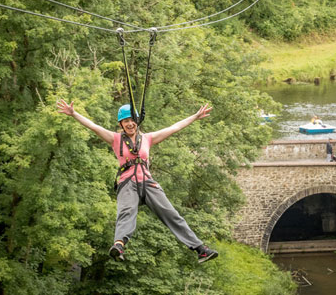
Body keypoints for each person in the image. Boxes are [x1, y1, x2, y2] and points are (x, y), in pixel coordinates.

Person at [57, 100, 218, 263]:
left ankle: (200, 249)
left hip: (148, 182)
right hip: (128, 183)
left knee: (171, 214)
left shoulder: (148, 139)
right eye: (126, 121)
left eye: (132, 120)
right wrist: (74, 114)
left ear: (137, 121)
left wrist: (195, 117)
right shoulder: (115, 139)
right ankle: (119, 245)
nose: (130, 124)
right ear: (121, 124)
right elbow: (93, 126)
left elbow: (174, 128)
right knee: (126, 212)